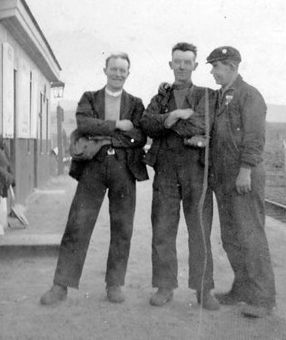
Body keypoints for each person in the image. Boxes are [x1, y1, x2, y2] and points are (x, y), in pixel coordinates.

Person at [40, 52, 148, 305]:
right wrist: (116, 127)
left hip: (124, 168)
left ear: (128, 74)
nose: (118, 74)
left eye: (123, 70)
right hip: (93, 168)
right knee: (78, 224)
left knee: (122, 227)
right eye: (114, 69)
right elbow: (84, 125)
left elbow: (140, 136)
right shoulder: (89, 98)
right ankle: (61, 286)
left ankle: (114, 284)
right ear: (105, 70)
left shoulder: (135, 103)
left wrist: (104, 137)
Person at [140, 42, 219, 310]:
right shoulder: (160, 97)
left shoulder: (206, 95)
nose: (182, 66)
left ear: (195, 66)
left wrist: (168, 124)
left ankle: (203, 289)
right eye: (178, 61)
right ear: (170, 64)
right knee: (163, 230)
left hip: (197, 170)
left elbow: (203, 123)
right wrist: (174, 114)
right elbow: (147, 124)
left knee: (200, 231)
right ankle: (165, 286)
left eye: (187, 62)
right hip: (165, 170)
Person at [206, 46, 276, 318]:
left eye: (216, 67)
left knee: (251, 236)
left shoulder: (250, 96)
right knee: (231, 237)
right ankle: (243, 289)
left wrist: (246, 170)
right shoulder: (221, 96)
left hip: (243, 176)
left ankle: (263, 298)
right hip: (224, 178)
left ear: (232, 66)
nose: (212, 72)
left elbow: (255, 138)